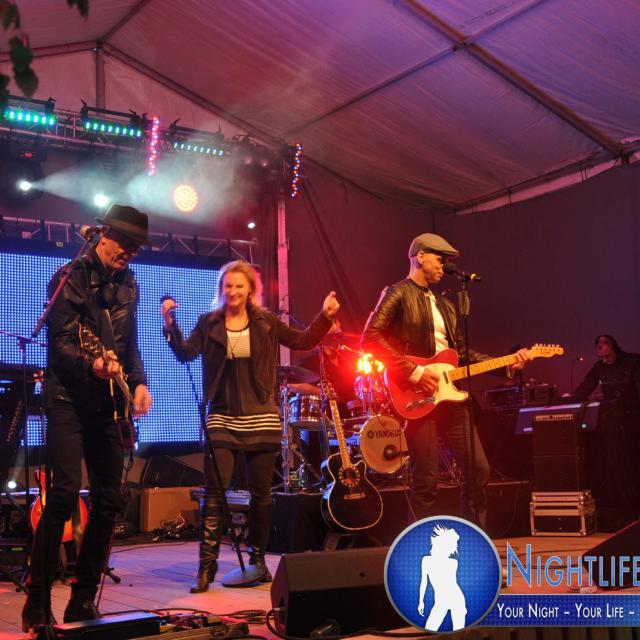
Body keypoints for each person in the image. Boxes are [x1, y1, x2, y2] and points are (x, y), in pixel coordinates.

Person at [161, 260, 339, 592]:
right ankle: (206, 567)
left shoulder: (265, 322)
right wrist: (170, 324)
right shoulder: (208, 322)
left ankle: (257, 560)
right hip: (222, 415)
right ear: (221, 289)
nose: (233, 291)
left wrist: (325, 316)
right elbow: (185, 354)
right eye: (228, 286)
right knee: (215, 491)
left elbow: (302, 340)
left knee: (261, 495)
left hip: (261, 416)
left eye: (239, 286)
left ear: (250, 290)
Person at [22, 204, 153, 632]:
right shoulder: (70, 278)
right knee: (61, 497)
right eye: (125, 243)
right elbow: (59, 342)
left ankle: (82, 599)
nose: (130, 252)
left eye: (136, 246)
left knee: (110, 501)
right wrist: (90, 364)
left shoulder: (129, 284)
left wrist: (139, 383)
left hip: (108, 405)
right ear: (102, 236)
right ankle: (37, 602)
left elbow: (129, 344)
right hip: (66, 399)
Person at [362, 233, 529, 528]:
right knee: (425, 480)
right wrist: (414, 372)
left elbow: (462, 354)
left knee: (478, 471)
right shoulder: (397, 293)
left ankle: (472, 541)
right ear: (420, 256)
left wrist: (507, 364)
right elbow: (370, 337)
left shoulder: (446, 306)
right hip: (417, 395)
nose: (443, 266)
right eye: (440, 259)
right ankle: (418, 546)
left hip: (451, 397)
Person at [568, 334, 640, 530]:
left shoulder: (633, 361)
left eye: (604, 343)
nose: (600, 347)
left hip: (633, 420)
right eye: (597, 344)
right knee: (614, 463)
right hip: (612, 422)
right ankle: (620, 510)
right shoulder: (599, 367)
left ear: (613, 346)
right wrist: (567, 399)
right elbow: (585, 388)